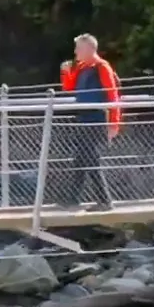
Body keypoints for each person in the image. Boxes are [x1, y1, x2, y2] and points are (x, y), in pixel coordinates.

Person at [58, 33, 121, 210]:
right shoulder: (83, 67)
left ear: (88, 48)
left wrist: (114, 123)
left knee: (90, 159)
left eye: (78, 47)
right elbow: (69, 88)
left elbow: (112, 94)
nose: (76, 51)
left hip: (97, 117)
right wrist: (66, 71)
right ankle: (74, 199)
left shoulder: (101, 66)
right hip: (84, 117)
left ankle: (105, 201)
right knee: (82, 158)